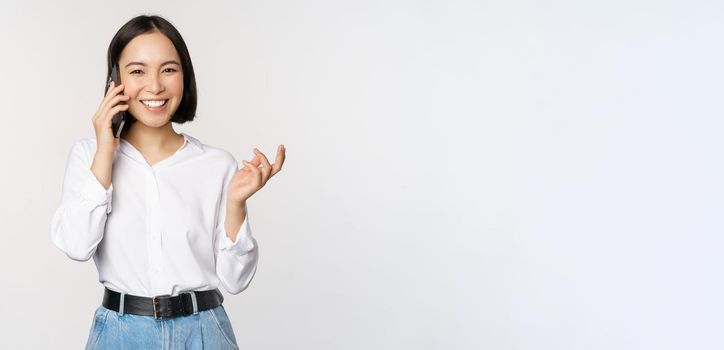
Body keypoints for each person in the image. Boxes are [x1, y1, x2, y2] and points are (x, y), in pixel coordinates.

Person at [50, 15, 285, 349]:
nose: (155, 85)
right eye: (137, 71)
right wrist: (105, 149)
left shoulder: (216, 164)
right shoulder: (88, 155)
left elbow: (236, 280)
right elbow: (76, 245)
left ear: (184, 77)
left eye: (168, 69)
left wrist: (236, 204)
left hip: (204, 331)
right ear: (115, 80)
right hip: (120, 334)